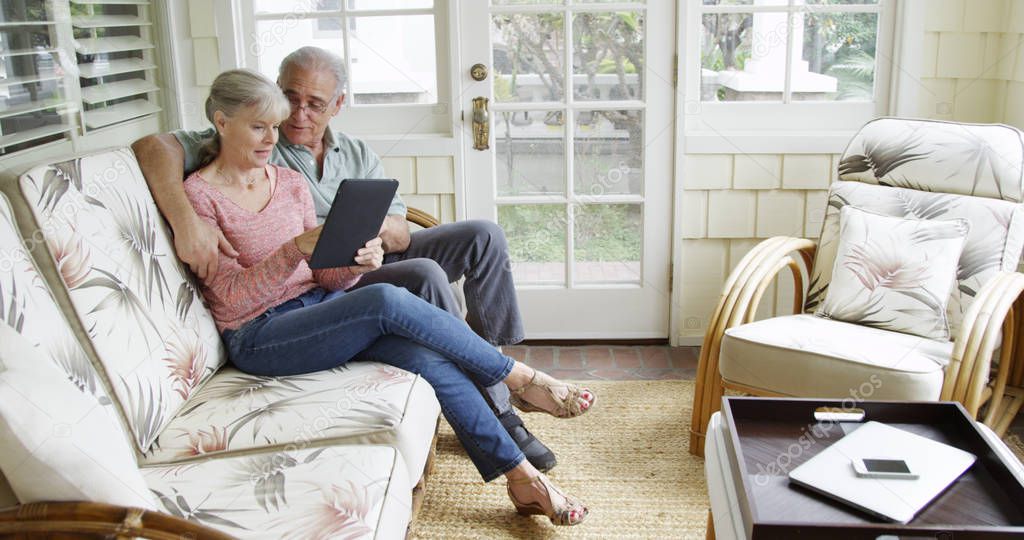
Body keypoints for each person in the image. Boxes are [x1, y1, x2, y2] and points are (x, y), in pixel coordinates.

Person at [184, 69, 594, 526]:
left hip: (317, 310)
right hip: (258, 335)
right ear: (221, 123)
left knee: (427, 358)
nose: (270, 138)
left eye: (274, 127)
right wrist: (291, 251)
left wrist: (355, 264)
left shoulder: (289, 183)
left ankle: (523, 480)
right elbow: (231, 299)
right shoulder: (199, 199)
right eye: (258, 126)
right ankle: (517, 377)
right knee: (382, 299)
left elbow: (325, 276)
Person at [131, 46, 556, 472]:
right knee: (411, 283)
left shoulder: (332, 162)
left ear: (338, 105)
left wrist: (359, 242)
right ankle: (506, 391)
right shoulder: (233, 154)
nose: (295, 117)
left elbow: (396, 232)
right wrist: (186, 221)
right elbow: (153, 145)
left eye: (313, 104)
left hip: (344, 271)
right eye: (288, 100)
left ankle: (512, 440)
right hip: (278, 304)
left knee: (482, 238)